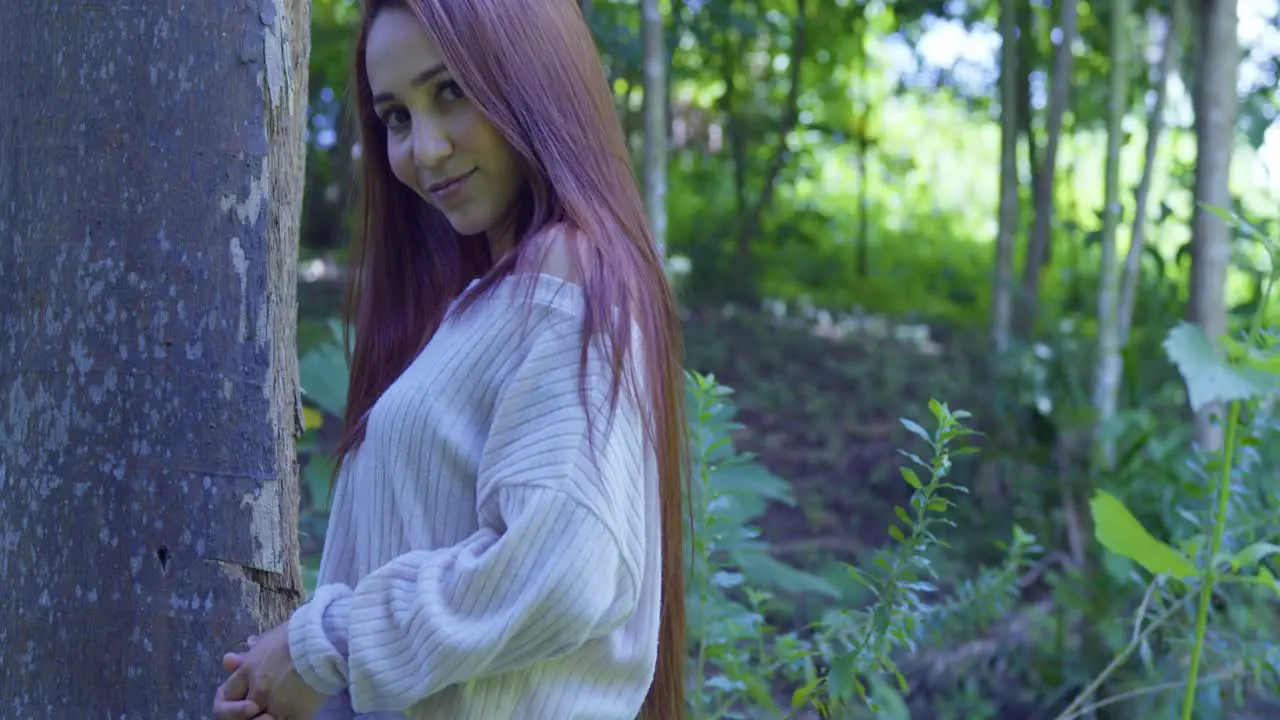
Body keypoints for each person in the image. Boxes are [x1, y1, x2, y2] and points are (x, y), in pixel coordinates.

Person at [211, 0, 688, 718]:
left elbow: (567, 571)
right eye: (396, 116)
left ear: (529, 80)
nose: (424, 149)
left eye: (450, 93)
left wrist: (326, 643)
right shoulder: (479, 307)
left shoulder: (565, 271)